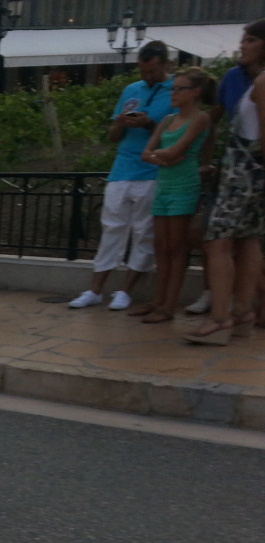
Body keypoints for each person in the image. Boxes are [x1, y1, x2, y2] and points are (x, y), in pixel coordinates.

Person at [65, 41, 171, 311]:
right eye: (143, 71)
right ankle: (95, 289)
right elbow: (113, 135)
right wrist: (122, 122)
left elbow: (176, 133)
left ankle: (126, 290)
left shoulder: (175, 90)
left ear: (165, 65)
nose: (147, 77)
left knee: (143, 232)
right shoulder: (131, 90)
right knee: (112, 228)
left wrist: (148, 123)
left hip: (152, 170)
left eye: (152, 71)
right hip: (122, 169)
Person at [185, 20, 265, 344]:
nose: (242, 45)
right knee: (248, 240)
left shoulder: (261, 84)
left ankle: (220, 318)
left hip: (245, 173)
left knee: (216, 241)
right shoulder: (253, 81)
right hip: (250, 174)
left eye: (250, 40)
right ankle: (243, 313)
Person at [136, 67, 213, 325]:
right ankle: (157, 300)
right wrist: (163, 158)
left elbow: (176, 151)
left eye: (180, 89)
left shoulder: (200, 118)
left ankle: (169, 305)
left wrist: (162, 156)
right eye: (174, 88)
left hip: (184, 185)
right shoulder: (168, 120)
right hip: (164, 185)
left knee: (176, 247)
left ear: (195, 92)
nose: (174, 93)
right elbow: (147, 153)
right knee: (161, 246)